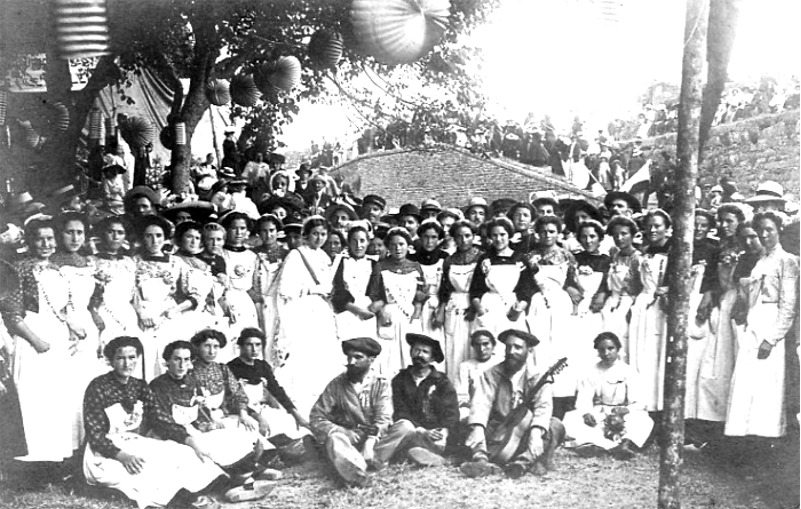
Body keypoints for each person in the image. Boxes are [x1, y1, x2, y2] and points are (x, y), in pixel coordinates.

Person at [82, 336, 224, 509]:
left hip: (134, 441)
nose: (127, 363)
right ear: (110, 361)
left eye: (132, 358)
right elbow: (95, 434)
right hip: (105, 450)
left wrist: (191, 441)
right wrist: (122, 456)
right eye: (120, 358)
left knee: (180, 452)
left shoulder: (139, 386)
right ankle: (182, 502)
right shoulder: (98, 387)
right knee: (144, 469)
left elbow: (160, 418)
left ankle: (194, 494)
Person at [0, 218, 74, 462]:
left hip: (57, 336)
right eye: (39, 238)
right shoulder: (18, 268)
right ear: (29, 241)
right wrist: (36, 340)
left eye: (50, 238)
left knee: (55, 396)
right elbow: (11, 313)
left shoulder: (57, 268)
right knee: (33, 395)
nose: (45, 243)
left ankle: (54, 456)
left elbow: (61, 306)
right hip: (31, 335)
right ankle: (30, 459)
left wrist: (71, 328)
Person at [726, 212, 799, 437]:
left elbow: (788, 306)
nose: (765, 234)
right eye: (761, 231)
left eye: (770, 230)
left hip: (770, 324)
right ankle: (746, 441)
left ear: (779, 231)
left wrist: (772, 338)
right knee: (748, 385)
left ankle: (767, 442)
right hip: (754, 322)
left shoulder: (787, 260)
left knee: (767, 387)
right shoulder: (761, 260)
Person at [460, 329, 565, 479]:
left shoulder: (537, 376)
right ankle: (481, 462)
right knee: (467, 423)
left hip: (525, 433)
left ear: (529, 351)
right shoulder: (492, 374)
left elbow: (543, 407)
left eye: (517, 347)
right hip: (497, 429)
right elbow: (481, 403)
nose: (511, 351)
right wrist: (477, 428)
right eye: (508, 347)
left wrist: (536, 433)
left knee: (555, 425)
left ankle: (522, 464)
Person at [150, 340, 266, 473]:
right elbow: (162, 422)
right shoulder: (158, 386)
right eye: (177, 359)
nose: (182, 365)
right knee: (201, 450)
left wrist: (207, 423)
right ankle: (235, 477)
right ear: (167, 361)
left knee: (230, 436)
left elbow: (200, 408)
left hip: (194, 428)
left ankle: (246, 470)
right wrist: (190, 439)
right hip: (174, 433)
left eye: (186, 359)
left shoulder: (191, 381)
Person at [276, 216, 340, 414]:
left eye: (323, 234)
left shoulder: (324, 257)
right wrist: (311, 289)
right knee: (302, 350)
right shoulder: (296, 255)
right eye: (315, 234)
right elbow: (286, 288)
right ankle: (300, 400)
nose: (319, 238)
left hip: (320, 310)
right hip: (302, 309)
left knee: (321, 351)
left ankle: (321, 397)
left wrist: (327, 291)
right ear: (306, 235)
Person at [309, 337, 393, 487]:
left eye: (358, 357)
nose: (351, 362)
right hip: (348, 439)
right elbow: (316, 416)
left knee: (403, 427)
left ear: (371, 360)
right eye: (349, 357)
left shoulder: (381, 384)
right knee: (335, 439)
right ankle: (359, 472)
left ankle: (362, 459)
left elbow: (383, 418)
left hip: (373, 438)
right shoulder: (337, 384)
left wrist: (370, 442)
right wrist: (341, 431)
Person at [52, 212, 105, 450]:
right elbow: (52, 302)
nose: (75, 237)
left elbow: (93, 300)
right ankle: (66, 445)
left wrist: (96, 317)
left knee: (87, 384)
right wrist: (69, 323)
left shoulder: (88, 262)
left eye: (79, 232)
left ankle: (88, 442)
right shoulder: (52, 262)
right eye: (69, 232)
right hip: (63, 324)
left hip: (88, 325)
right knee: (67, 386)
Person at [563, 332, 654, 459]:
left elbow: (639, 401)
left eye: (611, 348)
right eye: (602, 349)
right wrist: (586, 413)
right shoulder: (591, 371)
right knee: (571, 419)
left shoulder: (628, 371)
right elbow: (584, 399)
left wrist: (625, 410)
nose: (606, 353)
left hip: (622, 412)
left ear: (618, 349)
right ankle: (593, 445)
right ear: (597, 351)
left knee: (642, 420)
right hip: (599, 411)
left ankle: (625, 444)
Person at [377, 333, 458, 467]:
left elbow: (452, 414)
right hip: (412, 430)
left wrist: (443, 431)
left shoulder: (442, 382)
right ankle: (380, 459)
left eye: (425, 352)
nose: (419, 355)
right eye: (416, 350)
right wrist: (421, 430)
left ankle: (417, 455)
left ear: (432, 358)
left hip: (433, 434)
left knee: (441, 441)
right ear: (411, 352)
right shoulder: (400, 380)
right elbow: (400, 411)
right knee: (403, 428)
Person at [132, 215, 194, 380]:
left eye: (158, 236)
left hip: (169, 315)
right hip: (143, 315)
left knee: (170, 355)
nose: (154, 240)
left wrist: (176, 309)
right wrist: (141, 313)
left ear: (165, 238)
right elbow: (132, 291)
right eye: (149, 236)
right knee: (146, 354)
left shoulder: (176, 263)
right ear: (142, 238)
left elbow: (194, 294)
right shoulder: (134, 261)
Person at [227, 328, 309, 439]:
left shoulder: (262, 366)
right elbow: (233, 399)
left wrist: (295, 414)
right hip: (242, 412)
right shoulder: (232, 367)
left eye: (258, 345)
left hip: (260, 408)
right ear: (241, 346)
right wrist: (259, 418)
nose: (254, 349)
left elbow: (276, 390)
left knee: (288, 425)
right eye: (249, 345)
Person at [628, 209, 672, 413]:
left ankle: (658, 406)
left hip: (660, 307)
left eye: (658, 226)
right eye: (649, 226)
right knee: (640, 354)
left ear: (667, 228)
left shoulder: (674, 252)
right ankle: (641, 405)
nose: (653, 230)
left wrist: (668, 289)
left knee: (656, 354)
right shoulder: (642, 253)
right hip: (642, 304)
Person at [367, 227, 426, 375]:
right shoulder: (380, 266)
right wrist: (381, 313)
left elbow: (420, 293)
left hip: (410, 316)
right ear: (388, 247)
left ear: (408, 246)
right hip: (389, 315)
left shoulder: (415, 267)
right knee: (389, 357)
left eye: (401, 244)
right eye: (393, 245)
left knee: (410, 353)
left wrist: (417, 311)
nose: (397, 248)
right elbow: (374, 294)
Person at [469, 217, 536, 339]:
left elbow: (527, 288)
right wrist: (481, 311)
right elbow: (475, 290)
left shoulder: (520, 259)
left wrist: (519, 309)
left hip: (512, 307)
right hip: (489, 306)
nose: (499, 239)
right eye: (494, 235)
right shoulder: (485, 259)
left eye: (502, 234)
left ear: (509, 235)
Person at [439, 220, 482, 381]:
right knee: (455, 348)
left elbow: (483, 285)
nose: (463, 240)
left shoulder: (481, 257)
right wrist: (442, 311)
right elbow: (445, 289)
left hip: (475, 305)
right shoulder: (449, 261)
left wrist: (474, 307)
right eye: (459, 236)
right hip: (455, 306)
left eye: (467, 236)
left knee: (473, 344)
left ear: (474, 236)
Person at [92, 216, 139, 348]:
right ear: (102, 234)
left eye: (120, 232)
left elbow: (134, 292)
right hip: (102, 312)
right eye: (111, 232)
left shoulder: (130, 262)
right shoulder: (91, 261)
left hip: (127, 313)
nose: (115, 236)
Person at [600, 216, 642, 357]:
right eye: (616, 234)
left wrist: (632, 307)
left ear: (632, 234)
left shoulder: (638, 258)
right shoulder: (615, 255)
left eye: (624, 234)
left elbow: (640, 286)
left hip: (628, 303)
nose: (619, 238)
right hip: (612, 302)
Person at [219, 211, 259, 358]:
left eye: (242, 228)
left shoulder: (252, 256)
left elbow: (253, 285)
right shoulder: (220, 253)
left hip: (244, 301)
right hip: (225, 298)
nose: (238, 232)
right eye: (234, 228)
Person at [331, 222, 377, 341]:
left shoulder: (373, 263)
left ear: (368, 242)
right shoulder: (340, 262)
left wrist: (371, 309)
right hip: (345, 311)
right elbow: (337, 290)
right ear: (348, 242)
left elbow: (378, 290)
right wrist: (358, 311)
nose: (358, 245)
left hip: (368, 312)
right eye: (354, 241)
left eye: (362, 241)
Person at [251, 214, 287, 364]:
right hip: (259, 301)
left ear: (277, 232)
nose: (268, 234)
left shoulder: (287, 254)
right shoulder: (252, 254)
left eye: (271, 230)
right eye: (264, 231)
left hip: (279, 301)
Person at [409, 219, 448, 345]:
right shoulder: (412, 258)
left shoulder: (444, 258)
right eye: (426, 237)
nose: (429, 242)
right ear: (420, 237)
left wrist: (441, 311)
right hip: (416, 306)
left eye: (434, 237)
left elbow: (447, 287)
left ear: (439, 239)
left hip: (436, 307)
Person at [455, 330, 503, 422]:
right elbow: (461, 396)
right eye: (477, 345)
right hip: (476, 413)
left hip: (500, 412)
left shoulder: (501, 363)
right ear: (473, 346)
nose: (481, 349)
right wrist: (467, 415)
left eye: (486, 344)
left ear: (493, 345)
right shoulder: (466, 367)